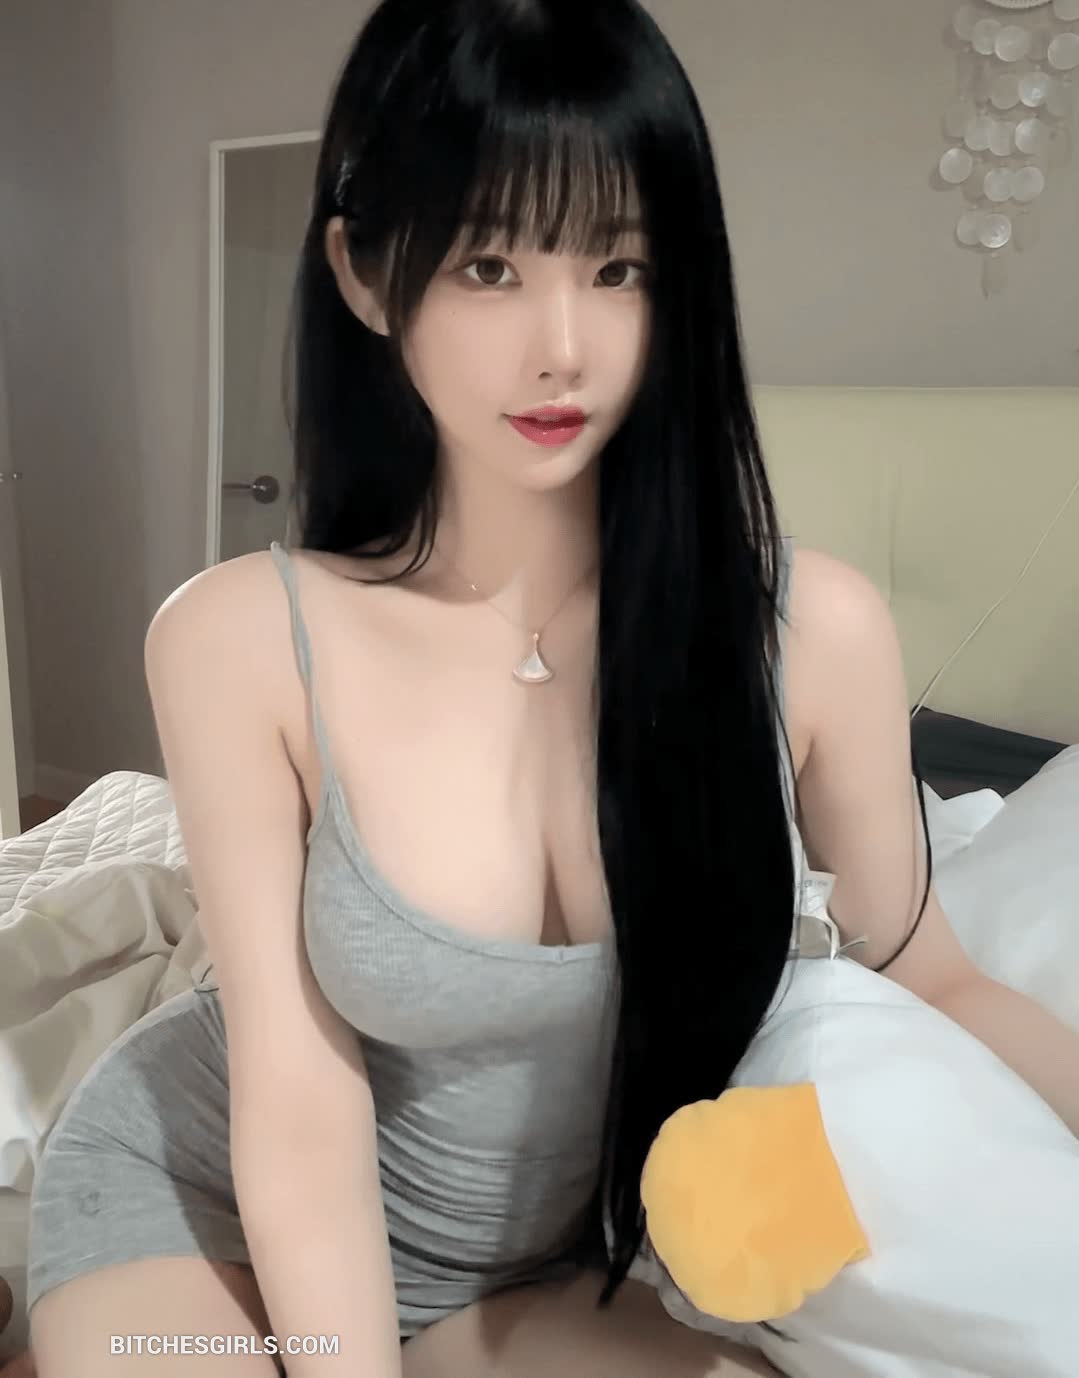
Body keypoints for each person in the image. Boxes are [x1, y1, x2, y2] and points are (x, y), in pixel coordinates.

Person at [20, 0, 1021, 1373]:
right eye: (489, 264)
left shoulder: (812, 632)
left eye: (620, 266)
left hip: (555, 1255)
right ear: (367, 275)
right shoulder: (239, 638)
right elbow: (299, 1109)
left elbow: (927, 970)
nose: (564, 344)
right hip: (208, 1212)